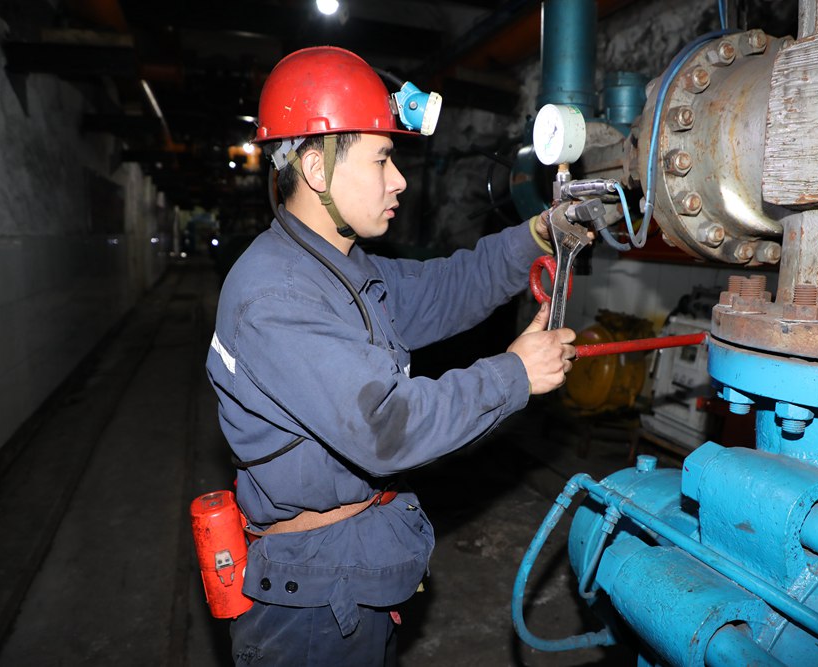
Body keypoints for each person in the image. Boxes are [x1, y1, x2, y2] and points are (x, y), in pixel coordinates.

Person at [206, 46, 577, 666]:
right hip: (313, 607)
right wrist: (515, 373)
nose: (399, 178)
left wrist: (537, 235)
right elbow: (387, 426)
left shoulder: (340, 268)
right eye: (381, 158)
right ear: (317, 169)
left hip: (348, 571)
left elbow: (447, 288)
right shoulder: (278, 296)